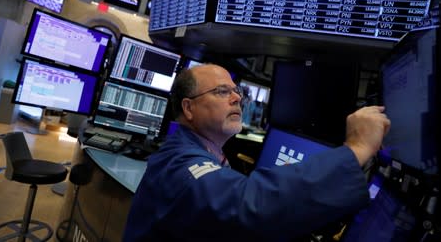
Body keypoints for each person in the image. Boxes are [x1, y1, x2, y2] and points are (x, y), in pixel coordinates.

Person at [123, 64, 390, 242]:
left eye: (236, 91)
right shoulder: (180, 164)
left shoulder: (196, 151)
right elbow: (248, 205)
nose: (237, 97)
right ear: (189, 108)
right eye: (221, 91)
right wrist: (357, 147)